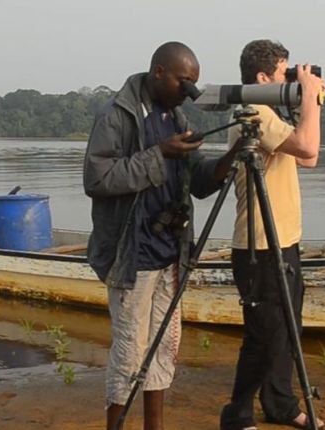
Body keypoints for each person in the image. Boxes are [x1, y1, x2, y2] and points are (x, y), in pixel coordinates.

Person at [83, 41, 240, 430]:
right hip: (131, 256)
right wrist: (160, 154)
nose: (188, 90)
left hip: (170, 253)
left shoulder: (176, 117)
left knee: (163, 352)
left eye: (193, 84)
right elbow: (97, 178)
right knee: (129, 355)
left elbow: (199, 181)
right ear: (158, 72)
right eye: (184, 81)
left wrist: (229, 160)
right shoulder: (118, 115)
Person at [219, 39, 325, 430]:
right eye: (285, 73)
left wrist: (306, 103)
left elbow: (309, 157)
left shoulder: (271, 113)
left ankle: (280, 404)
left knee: (286, 330)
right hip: (259, 244)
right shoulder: (254, 111)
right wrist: (311, 99)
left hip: (285, 239)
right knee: (263, 335)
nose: (291, 79)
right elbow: (308, 144)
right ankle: (238, 412)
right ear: (263, 77)